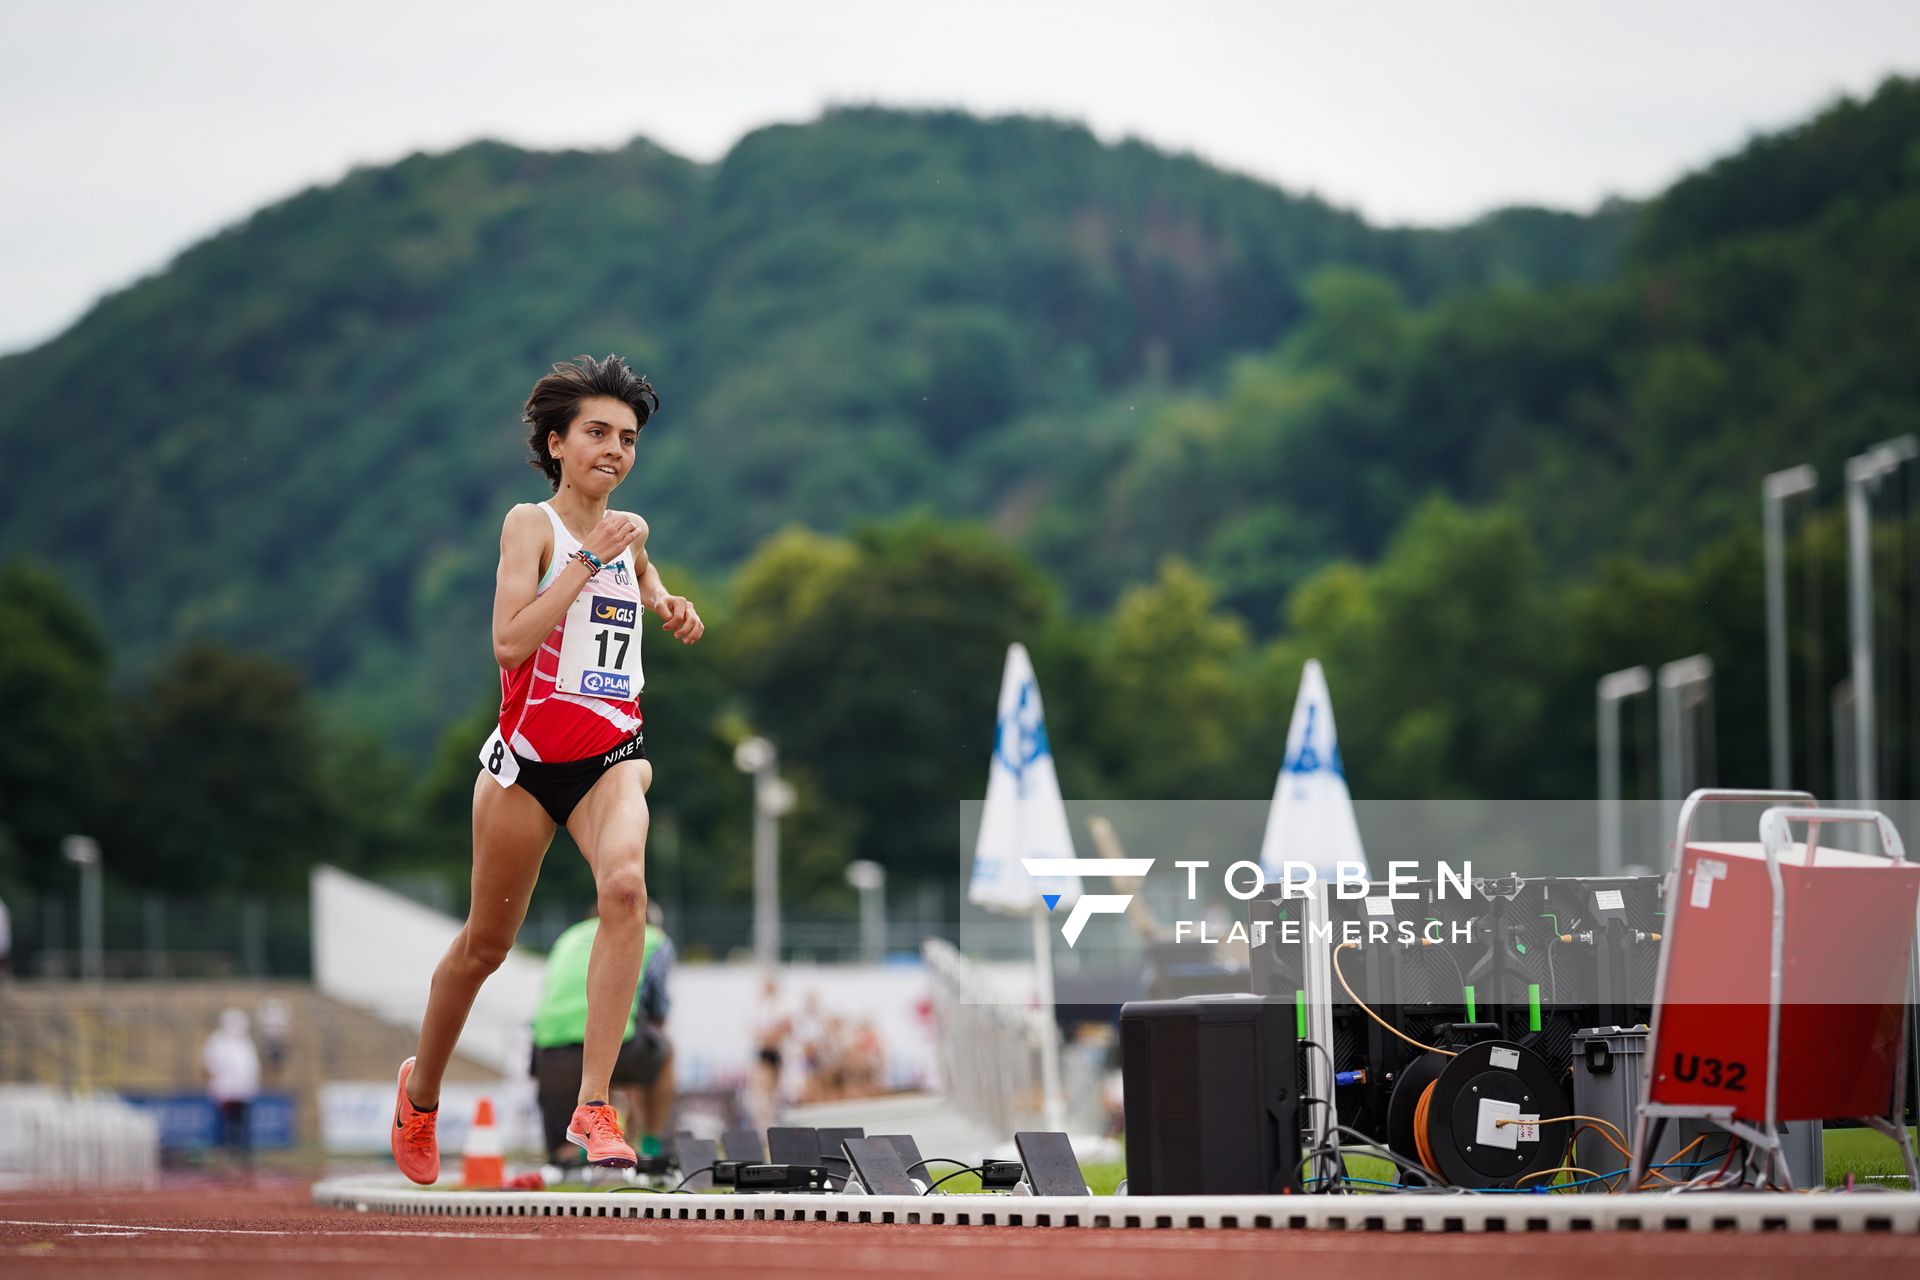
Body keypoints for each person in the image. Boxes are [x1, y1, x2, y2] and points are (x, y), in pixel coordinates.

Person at [391, 355, 704, 1184]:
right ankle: (419, 1094)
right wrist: (586, 559)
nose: (614, 449)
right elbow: (509, 643)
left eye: (628, 438)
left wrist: (669, 605)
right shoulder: (531, 525)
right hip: (524, 767)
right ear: (557, 443)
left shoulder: (629, 533)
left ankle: (595, 1104)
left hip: (611, 758)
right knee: (486, 945)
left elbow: (641, 581)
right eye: (597, 433)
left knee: (627, 889)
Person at [530, 903, 676, 1164]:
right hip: (617, 1049)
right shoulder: (653, 937)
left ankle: (569, 1155)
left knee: (565, 1156)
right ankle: (651, 1142)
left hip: (548, 1052)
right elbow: (656, 1010)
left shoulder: (570, 936)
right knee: (660, 1049)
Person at [202, 1007, 260, 1166]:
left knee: (242, 1126)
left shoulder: (245, 1042)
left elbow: (251, 1067)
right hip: (225, 1091)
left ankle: (242, 1156)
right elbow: (209, 1066)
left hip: (243, 1092)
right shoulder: (217, 1041)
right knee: (225, 1126)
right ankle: (225, 1156)